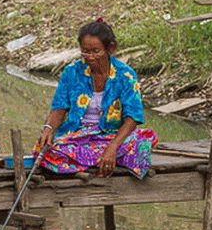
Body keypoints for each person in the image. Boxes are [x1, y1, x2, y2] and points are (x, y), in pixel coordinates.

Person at [38, 20, 157, 178]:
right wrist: (49, 129)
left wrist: (112, 148)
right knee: (46, 150)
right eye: (85, 51)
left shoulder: (125, 75)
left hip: (111, 135)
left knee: (140, 143)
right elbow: (59, 108)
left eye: (96, 51)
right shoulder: (71, 72)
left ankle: (89, 162)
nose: (90, 57)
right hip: (79, 136)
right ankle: (98, 161)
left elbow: (132, 118)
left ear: (110, 48)